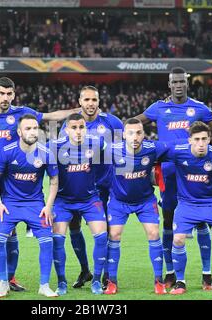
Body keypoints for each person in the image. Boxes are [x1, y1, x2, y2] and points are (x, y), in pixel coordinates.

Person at [0, 76, 79, 292]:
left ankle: (9, 278)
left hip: (13, 184)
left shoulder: (22, 114)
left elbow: (51, 117)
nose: (5, 98)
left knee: (10, 232)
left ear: (14, 95)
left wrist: (76, 110)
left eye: (9, 94)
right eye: (1, 93)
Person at [135, 67, 212, 289]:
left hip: (195, 173)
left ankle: (206, 274)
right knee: (168, 222)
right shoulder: (159, 107)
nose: (178, 85)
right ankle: (170, 272)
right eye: (174, 82)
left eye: (181, 82)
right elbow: (133, 123)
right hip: (168, 173)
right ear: (169, 85)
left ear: (187, 84)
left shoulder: (198, 108)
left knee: (202, 221)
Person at [162, 121, 212, 295]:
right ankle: (180, 282)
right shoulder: (178, 152)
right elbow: (153, 153)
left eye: (204, 139)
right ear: (190, 140)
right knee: (177, 240)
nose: (201, 143)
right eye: (197, 139)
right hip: (186, 204)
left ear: (209, 140)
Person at [59, 85, 123, 289]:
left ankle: (106, 275)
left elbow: (122, 154)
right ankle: (85, 269)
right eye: (86, 100)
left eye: (93, 100)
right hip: (79, 187)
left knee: (108, 232)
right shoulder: (68, 125)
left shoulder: (112, 122)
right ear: (79, 102)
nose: (90, 104)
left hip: (106, 187)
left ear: (99, 102)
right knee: (74, 227)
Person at [0, 114, 59, 298]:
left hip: (36, 204)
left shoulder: (46, 152)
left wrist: (49, 206)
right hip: (10, 204)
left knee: (47, 242)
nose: (32, 131)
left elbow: (54, 179)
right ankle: (3, 282)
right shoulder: (7, 151)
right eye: (28, 128)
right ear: (19, 132)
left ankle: (44, 285)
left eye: (35, 128)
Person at [104, 118, 169, 295]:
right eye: (131, 133)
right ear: (124, 134)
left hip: (145, 201)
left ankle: (159, 280)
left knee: (154, 233)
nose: (135, 137)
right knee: (114, 235)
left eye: (139, 133)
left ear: (143, 134)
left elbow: (175, 148)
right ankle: (112, 281)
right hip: (119, 202)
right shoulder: (111, 150)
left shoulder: (153, 148)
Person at [50, 113, 108, 295]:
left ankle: (97, 280)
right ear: (66, 130)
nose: (78, 131)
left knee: (101, 236)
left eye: (81, 127)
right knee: (57, 239)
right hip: (63, 200)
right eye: (73, 128)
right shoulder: (55, 147)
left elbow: (119, 153)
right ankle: (61, 282)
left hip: (90, 199)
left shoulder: (97, 143)